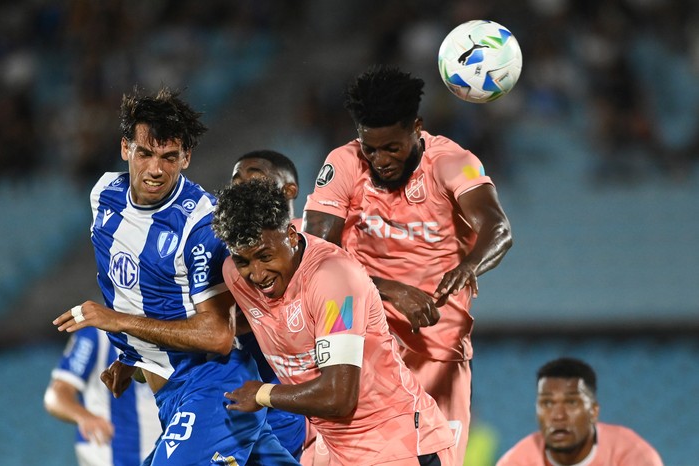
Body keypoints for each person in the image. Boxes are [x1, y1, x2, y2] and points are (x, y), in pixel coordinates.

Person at [52, 87, 299, 466]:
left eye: (169, 157)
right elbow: (146, 291)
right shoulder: (103, 195)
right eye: (145, 153)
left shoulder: (201, 224)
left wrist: (116, 322)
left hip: (214, 386)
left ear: (186, 157)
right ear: (125, 149)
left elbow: (217, 336)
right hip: (171, 393)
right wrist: (133, 356)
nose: (155, 169)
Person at [302, 65, 513, 463]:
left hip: (438, 350)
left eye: (391, 147)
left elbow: (498, 228)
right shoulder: (344, 163)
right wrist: (391, 290)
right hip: (363, 343)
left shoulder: (453, 163)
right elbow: (315, 252)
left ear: (417, 127)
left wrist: (468, 267)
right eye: (370, 147)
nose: (379, 159)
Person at [212, 178, 457, 466]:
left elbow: (338, 397)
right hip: (340, 452)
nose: (257, 273)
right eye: (244, 261)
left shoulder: (332, 279)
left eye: (265, 256)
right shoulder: (236, 276)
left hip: (400, 444)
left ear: (291, 235)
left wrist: (262, 393)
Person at [231, 149, 307, 460]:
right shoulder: (227, 249)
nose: (243, 188)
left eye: (255, 180)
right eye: (237, 181)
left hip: (284, 401)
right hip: (239, 394)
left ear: (289, 191)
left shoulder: (313, 242)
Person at [496, 357, 664, 466]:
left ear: (594, 411)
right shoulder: (517, 461)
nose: (558, 416)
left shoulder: (633, 457)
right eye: (547, 403)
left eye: (571, 403)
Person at [44, 327, 161, 466]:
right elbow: (56, 394)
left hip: (162, 451)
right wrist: (85, 417)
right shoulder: (95, 333)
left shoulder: (176, 328)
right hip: (106, 454)